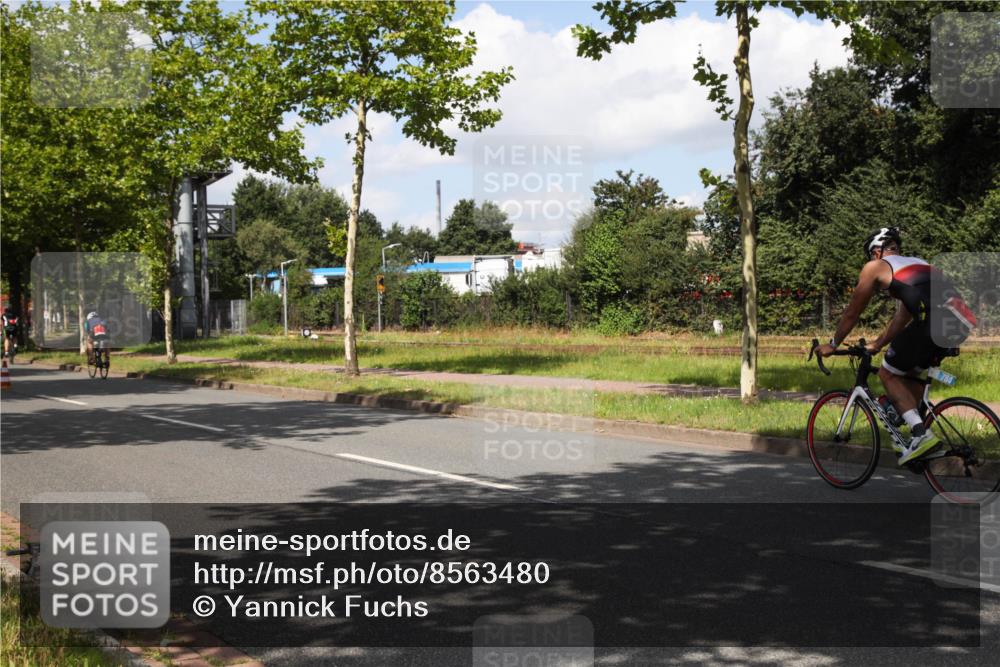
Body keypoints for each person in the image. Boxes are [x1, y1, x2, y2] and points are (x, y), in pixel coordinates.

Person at [814, 228, 976, 465]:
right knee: (908, 374)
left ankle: (921, 434)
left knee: (887, 373)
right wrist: (878, 344)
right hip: (962, 322)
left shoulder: (875, 267)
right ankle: (916, 434)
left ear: (876, 252)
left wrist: (833, 344)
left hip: (935, 322)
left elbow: (852, 312)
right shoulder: (917, 263)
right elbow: (903, 317)